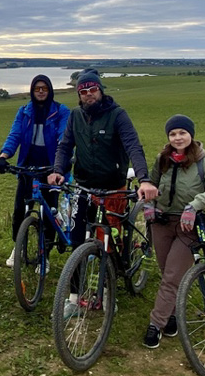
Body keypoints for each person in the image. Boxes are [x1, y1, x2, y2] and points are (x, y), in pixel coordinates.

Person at [47, 69, 158, 313]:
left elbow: (133, 147)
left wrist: (144, 179)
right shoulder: (75, 116)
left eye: (92, 89)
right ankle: (75, 299)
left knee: (108, 241)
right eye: (83, 91)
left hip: (112, 188)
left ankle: (107, 292)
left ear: (100, 90)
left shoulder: (117, 115)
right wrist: (57, 169)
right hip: (84, 186)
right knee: (78, 241)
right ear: (79, 95)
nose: (88, 95)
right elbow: (65, 146)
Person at [142, 114, 205, 349]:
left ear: (191, 135)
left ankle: (156, 325)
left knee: (171, 276)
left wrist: (195, 205)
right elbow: (149, 186)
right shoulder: (162, 159)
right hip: (161, 224)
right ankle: (171, 318)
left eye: (182, 133)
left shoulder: (204, 161)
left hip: (187, 227)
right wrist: (148, 206)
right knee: (168, 274)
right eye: (172, 134)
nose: (178, 137)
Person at [0, 74, 70, 266]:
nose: (41, 91)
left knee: (49, 211)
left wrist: (60, 166)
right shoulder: (25, 111)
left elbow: (64, 138)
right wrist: (4, 156)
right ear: (32, 91)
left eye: (44, 88)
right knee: (20, 209)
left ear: (50, 90)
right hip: (28, 168)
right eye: (37, 88)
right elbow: (15, 135)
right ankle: (18, 246)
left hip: (52, 168)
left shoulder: (61, 111)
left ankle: (45, 254)